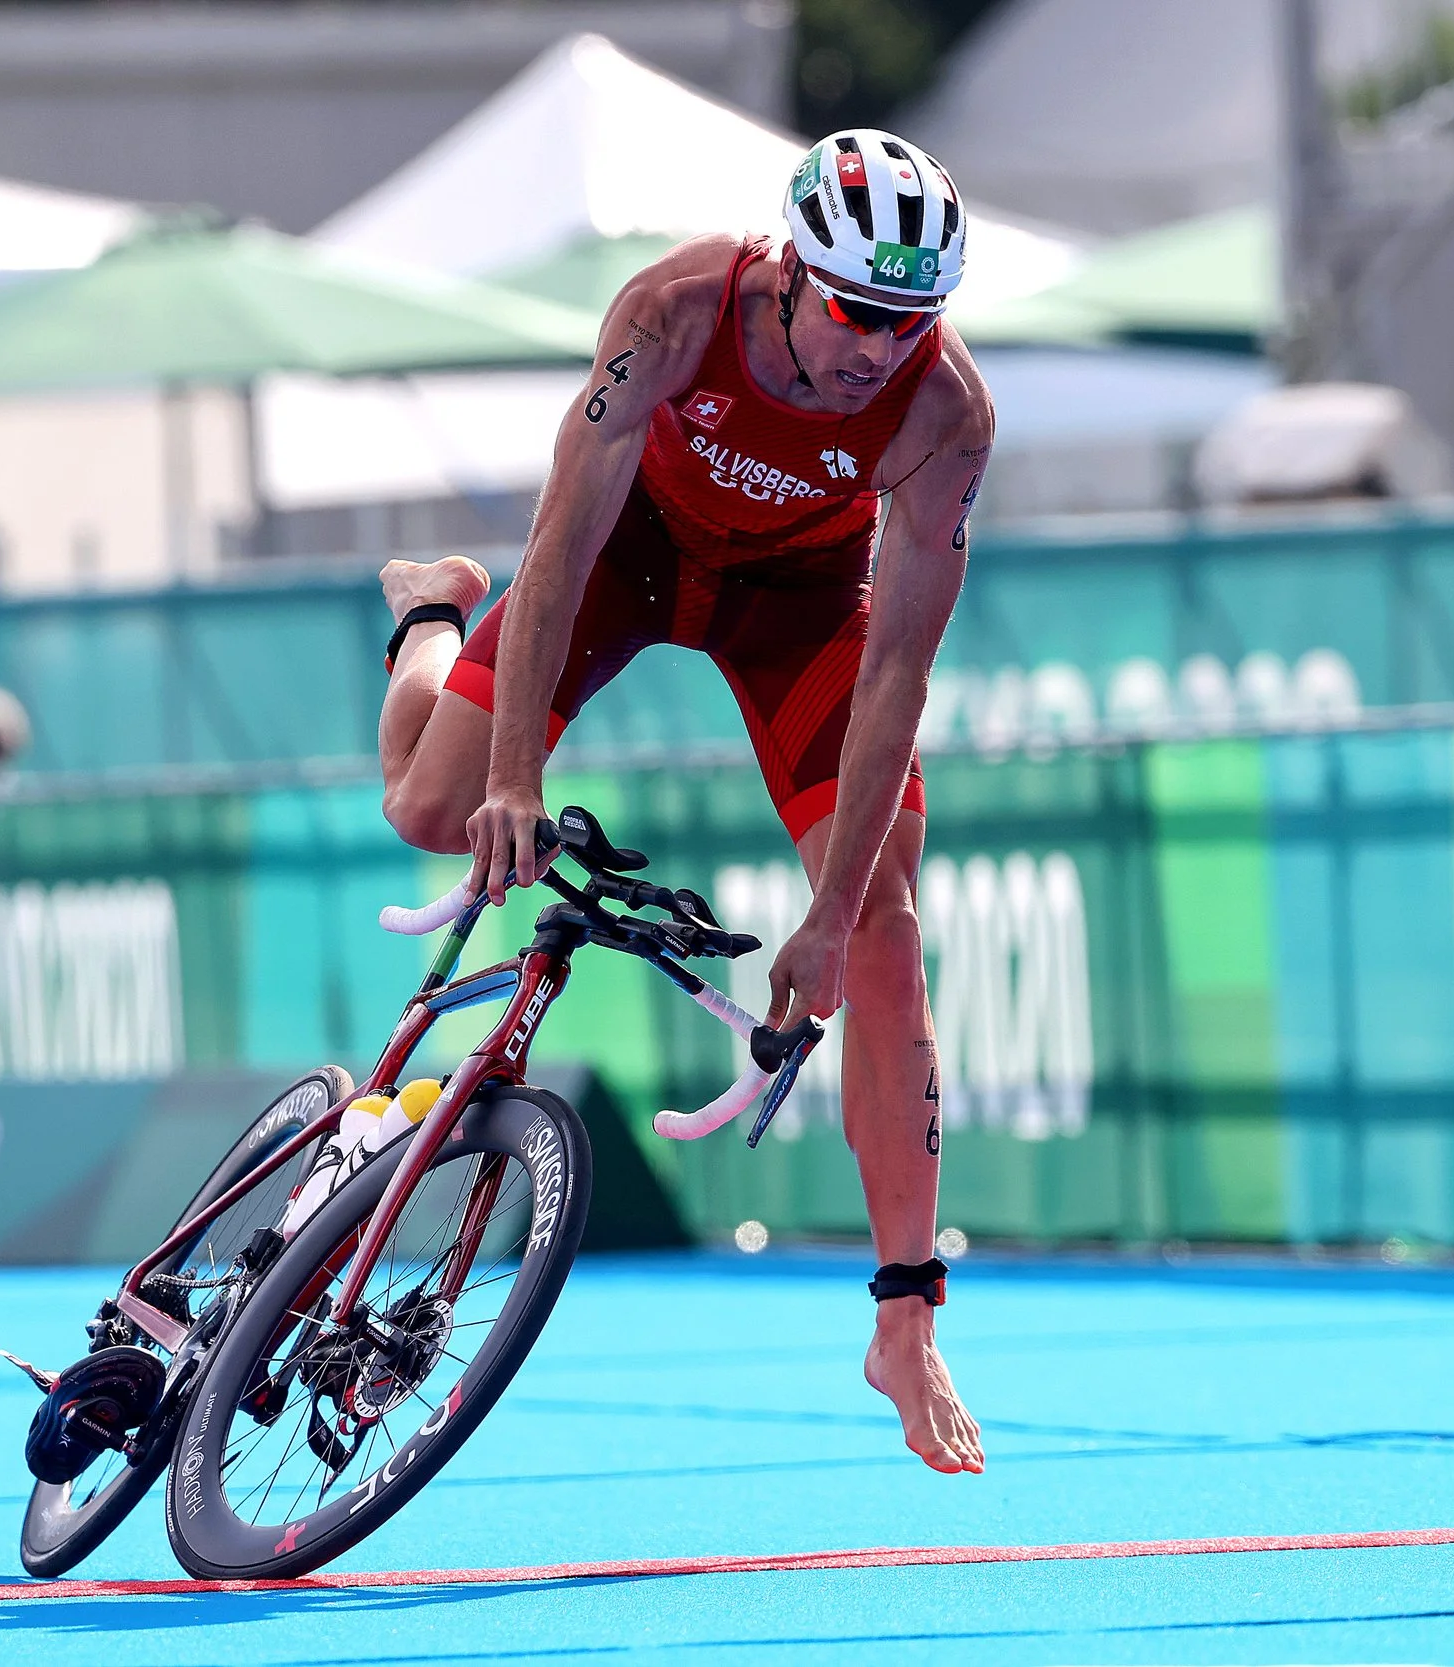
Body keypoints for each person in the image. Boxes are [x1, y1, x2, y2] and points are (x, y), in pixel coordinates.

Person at [374, 130, 994, 1474]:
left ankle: (906, 1316)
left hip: (801, 603)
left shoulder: (945, 411)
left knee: (883, 927)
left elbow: (898, 670)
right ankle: (428, 615)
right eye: (859, 312)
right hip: (627, 553)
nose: (881, 348)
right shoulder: (671, 314)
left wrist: (829, 913)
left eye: (911, 320)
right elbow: (563, 538)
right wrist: (513, 776)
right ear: (792, 276)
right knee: (428, 809)